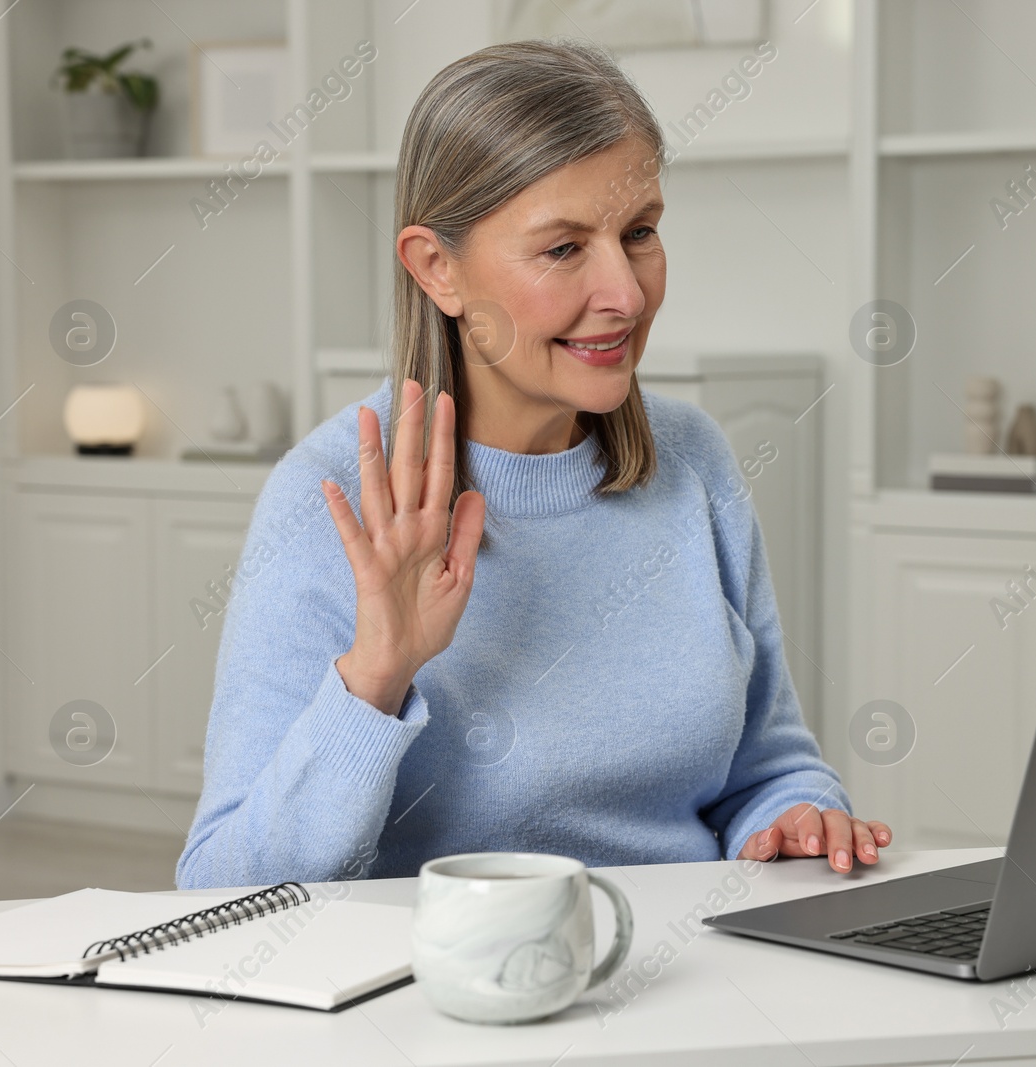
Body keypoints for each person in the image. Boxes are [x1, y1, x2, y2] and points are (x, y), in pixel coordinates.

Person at [176, 38, 890, 890]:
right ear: (436, 268)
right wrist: (378, 674)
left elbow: (769, 771)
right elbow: (222, 885)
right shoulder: (326, 497)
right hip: (443, 1005)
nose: (625, 292)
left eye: (641, 233)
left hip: (691, 982)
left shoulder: (693, 459)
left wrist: (800, 816)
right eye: (563, 249)